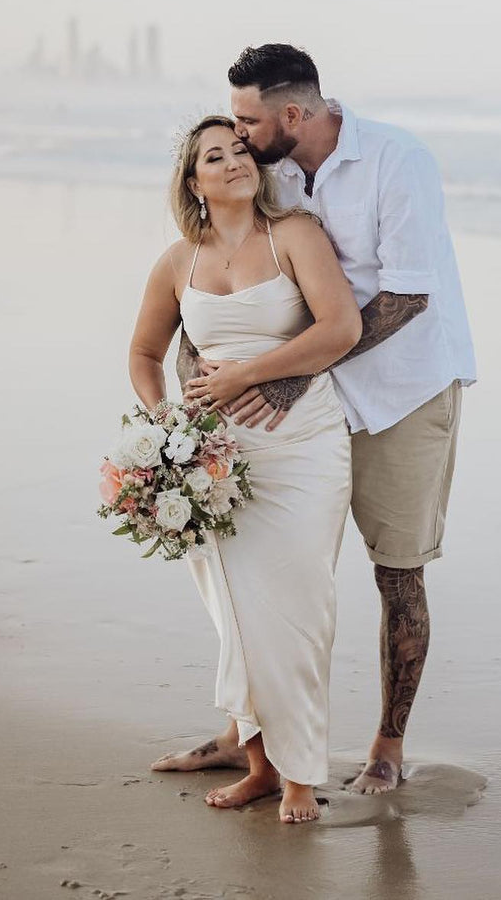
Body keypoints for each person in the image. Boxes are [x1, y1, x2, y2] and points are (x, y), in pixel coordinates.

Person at [162, 43, 476, 794]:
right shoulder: (269, 167)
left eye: (247, 119)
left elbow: (405, 298)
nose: (238, 136)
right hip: (295, 397)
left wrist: (288, 370)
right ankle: (249, 735)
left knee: (397, 572)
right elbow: (228, 265)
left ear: (292, 114)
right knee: (265, 569)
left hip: (401, 393)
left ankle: (387, 743)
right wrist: (192, 382)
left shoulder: (399, 162)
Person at [128, 116, 362, 823]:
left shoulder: (294, 234)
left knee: (297, 611)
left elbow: (340, 328)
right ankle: (262, 767)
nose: (232, 162)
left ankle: (300, 777)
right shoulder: (178, 262)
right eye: (213, 156)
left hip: (303, 444)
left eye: (238, 149)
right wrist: (165, 418)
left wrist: (248, 374)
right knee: (238, 616)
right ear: (192, 181)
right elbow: (142, 355)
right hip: (214, 460)